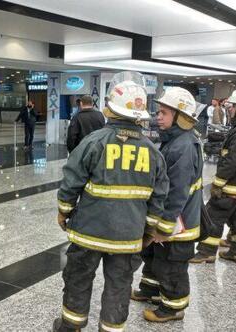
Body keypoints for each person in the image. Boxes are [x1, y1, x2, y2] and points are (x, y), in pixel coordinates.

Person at [52, 81, 169, 332]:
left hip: (88, 233)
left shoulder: (94, 142)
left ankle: (70, 326)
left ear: (111, 109)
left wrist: (64, 212)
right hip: (128, 238)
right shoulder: (153, 153)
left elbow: (71, 182)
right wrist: (148, 232)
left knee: (78, 279)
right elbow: (158, 197)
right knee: (119, 285)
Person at [131, 87, 202, 322]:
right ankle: (150, 290)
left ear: (181, 117)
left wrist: (164, 226)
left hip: (177, 223)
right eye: (158, 111)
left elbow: (176, 192)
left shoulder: (182, 146)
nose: (157, 116)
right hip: (170, 218)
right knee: (154, 256)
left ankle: (173, 308)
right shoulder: (177, 140)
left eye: (163, 113)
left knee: (172, 265)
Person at [190, 88, 236, 265]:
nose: (229, 109)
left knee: (214, 215)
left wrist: (218, 182)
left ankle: (206, 252)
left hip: (231, 186)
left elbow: (232, 160)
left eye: (232, 106)